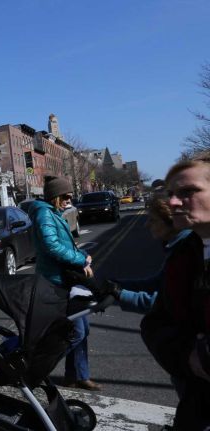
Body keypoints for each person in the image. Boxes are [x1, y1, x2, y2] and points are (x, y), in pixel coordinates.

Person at [141, 159, 210, 429]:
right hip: (198, 402)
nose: (172, 202)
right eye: (171, 193)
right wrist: (188, 355)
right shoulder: (186, 253)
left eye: (188, 192)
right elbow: (157, 321)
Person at [28, 176, 101, 391]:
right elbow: (51, 246)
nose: (69, 200)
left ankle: (77, 375)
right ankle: (34, 370)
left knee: (83, 328)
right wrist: (80, 260)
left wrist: (83, 256)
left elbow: (64, 244)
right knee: (76, 332)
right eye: (65, 196)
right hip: (55, 282)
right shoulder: (44, 214)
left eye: (70, 196)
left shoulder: (53, 213)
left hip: (65, 280)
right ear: (54, 196)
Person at [107, 195, 190, 314]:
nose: (146, 224)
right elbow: (158, 283)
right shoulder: (177, 246)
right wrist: (118, 284)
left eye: (153, 220)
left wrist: (119, 294)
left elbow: (166, 303)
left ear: (171, 221)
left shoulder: (187, 251)